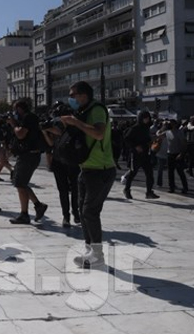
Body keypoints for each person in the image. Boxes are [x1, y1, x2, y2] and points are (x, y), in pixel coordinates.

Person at [59, 81, 115, 269]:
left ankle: (97, 255)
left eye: (73, 94)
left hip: (101, 169)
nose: (71, 98)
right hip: (86, 169)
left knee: (90, 211)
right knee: (83, 213)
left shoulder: (97, 110)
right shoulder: (83, 113)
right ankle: (90, 252)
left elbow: (99, 134)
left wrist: (75, 122)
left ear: (84, 95)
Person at [7, 99, 48, 225]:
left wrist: (13, 124)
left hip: (29, 156)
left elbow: (20, 134)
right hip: (27, 155)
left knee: (20, 184)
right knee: (21, 183)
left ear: (20, 109)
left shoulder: (29, 118)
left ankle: (26, 213)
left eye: (16, 109)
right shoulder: (28, 118)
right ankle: (37, 206)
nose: (15, 112)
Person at [41, 103, 80, 228]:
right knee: (63, 190)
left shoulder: (73, 126)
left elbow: (63, 133)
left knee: (75, 188)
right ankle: (66, 216)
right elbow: (51, 144)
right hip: (58, 160)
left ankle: (76, 211)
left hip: (72, 160)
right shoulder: (54, 127)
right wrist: (45, 132)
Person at [120, 111, 160, 200]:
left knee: (149, 173)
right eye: (145, 118)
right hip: (136, 154)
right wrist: (135, 146)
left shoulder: (146, 128)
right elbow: (126, 138)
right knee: (133, 172)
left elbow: (146, 139)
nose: (147, 120)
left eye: (148, 118)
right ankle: (127, 189)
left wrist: (154, 139)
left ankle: (149, 192)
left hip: (145, 153)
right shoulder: (135, 128)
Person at [159, 119, 188, 194]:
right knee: (170, 172)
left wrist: (181, 153)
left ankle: (185, 187)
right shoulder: (167, 132)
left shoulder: (179, 132)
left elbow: (184, 143)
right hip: (170, 154)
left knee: (180, 171)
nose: (169, 125)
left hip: (177, 153)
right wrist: (163, 127)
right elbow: (158, 135)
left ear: (174, 124)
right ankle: (171, 187)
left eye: (170, 123)